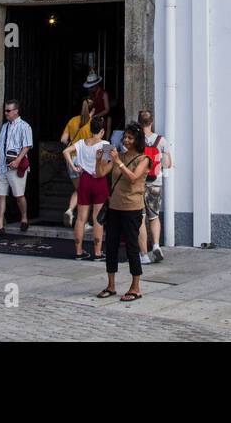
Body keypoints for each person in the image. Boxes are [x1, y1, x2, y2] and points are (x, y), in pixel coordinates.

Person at [97, 122, 150, 303]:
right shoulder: (118, 155)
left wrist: (118, 162)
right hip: (114, 207)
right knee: (110, 246)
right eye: (125, 137)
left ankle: (136, 287)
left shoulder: (143, 159)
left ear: (137, 140)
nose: (126, 141)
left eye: (130, 138)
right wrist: (99, 159)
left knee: (131, 247)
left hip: (132, 208)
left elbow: (133, 178)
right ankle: (111, 285)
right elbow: (100, 173)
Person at [62, 114, 111, 260]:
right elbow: (106, 164)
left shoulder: (82, 143)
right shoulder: (106, 144)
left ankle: (78, 251)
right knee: (97, 218)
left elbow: (65, 152)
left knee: (81, 218)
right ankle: (97, 252)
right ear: (102, 131)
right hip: (99, 179)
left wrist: (74, 167)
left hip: (84, 179)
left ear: (90, 129)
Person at [136, 109, 172, 264]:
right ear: (151, 122)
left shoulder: (135, 140)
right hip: (155, 182)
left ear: (139, 122)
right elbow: (169, 163)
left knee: (140, 218)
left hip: (138, 182)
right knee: (154, 216)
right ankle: (156, 245)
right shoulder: (161, 140)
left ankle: (143, 254)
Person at [0, 99, 32, 233]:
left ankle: (24, 217)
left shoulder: (24, 126)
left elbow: (27, 146)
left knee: (19, 195)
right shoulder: (4, 126)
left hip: (16, 166)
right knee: (0, 195)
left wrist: (18, 161)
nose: (6, 113)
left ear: (16, 111)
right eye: (5, 110)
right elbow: (0, 147)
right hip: (3, 167)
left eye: (8, 111)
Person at [59, 96, 96, 226]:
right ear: (93, 110)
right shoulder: (93, 123)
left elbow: (63, 139)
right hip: (85, 161)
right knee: (87, 192)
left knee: (80, 190)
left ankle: (70, 210)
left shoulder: (73, 120)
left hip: (71, 159)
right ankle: (84, 222)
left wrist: (71, 143)